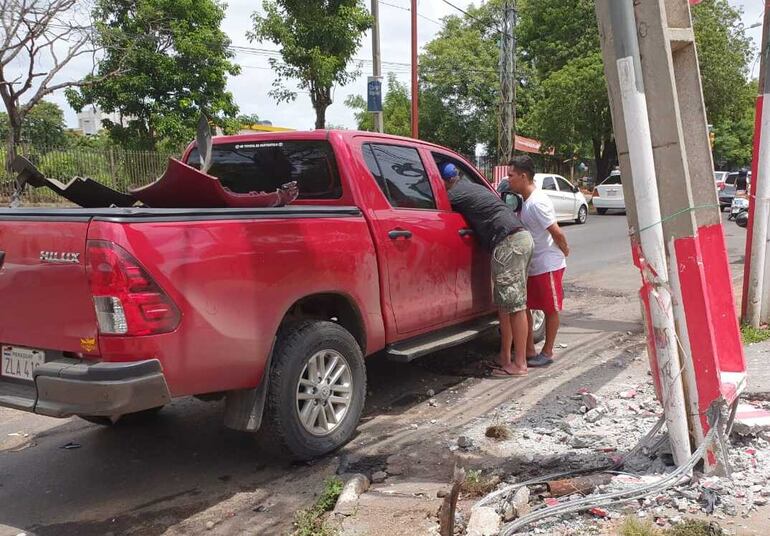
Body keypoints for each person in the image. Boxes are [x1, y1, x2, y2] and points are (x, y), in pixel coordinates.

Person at [440, 162, 535, 377]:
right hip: (517, 239)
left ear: (444, 182)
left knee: (515, 305)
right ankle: (505, 356)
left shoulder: (455, 195)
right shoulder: (473, 187)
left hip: (508, 243)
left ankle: (519, 364)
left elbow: (437, 208)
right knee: (505, 304)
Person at [505, 156, 569, 365]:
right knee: (528, 306)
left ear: (524, 176)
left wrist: (565, 250)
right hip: (533, 264)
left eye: (511, 175)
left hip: (547, 264)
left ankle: (548, 352)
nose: (508, 180)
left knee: (550, 309)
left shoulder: (538, 202)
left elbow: (556, 232)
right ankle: (530, 349)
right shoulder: (527, 201)